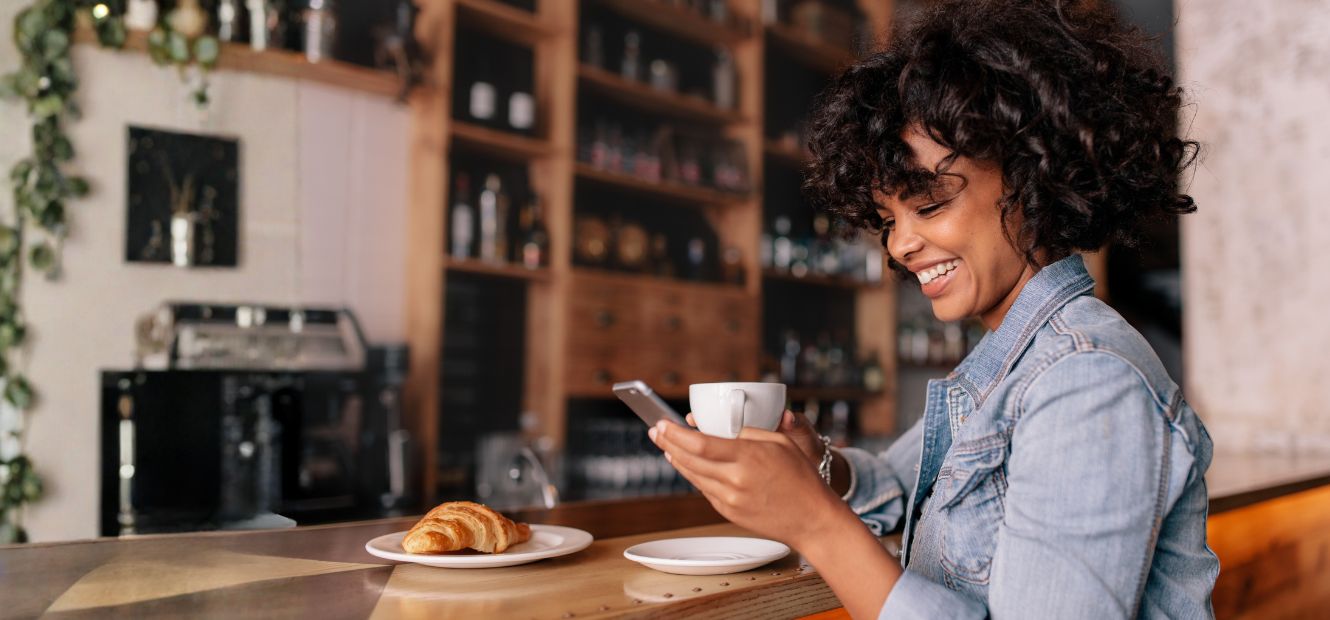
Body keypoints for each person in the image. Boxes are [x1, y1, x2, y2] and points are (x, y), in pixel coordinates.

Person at [648, 0, 1219, 617]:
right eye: (889, 218)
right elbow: (900, 487)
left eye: (929, 204)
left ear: (1034, 178)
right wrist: (816, 466)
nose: (899, 244)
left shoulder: (1085, 380)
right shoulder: (1006, 366)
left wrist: (815, 524)